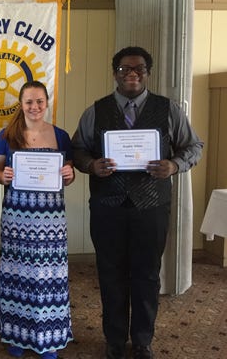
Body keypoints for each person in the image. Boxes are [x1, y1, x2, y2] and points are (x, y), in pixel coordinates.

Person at [71, 46, 203, 359]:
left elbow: (193, 146)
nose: (132, 74)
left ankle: (143, 340)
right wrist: (92, 165)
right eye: (125, 69)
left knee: (146, 274)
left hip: (152, 207)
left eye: (139, 69)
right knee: (110, 273)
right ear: (114, 73)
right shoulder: (96, 110)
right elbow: (78, 150)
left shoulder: (168, 109)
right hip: (107, 207)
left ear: (147, 73)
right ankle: (114, 340)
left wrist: (173, 166)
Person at [0, 80, 75, 359]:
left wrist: (69, 175)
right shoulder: (7, 134)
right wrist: (2, 176)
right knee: (18, 275)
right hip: (17, 217)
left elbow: (69, 173)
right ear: (21, 103)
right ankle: (18, 336)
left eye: (39, 101)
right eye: (29, 102)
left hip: (50, 220)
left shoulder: (61, 136)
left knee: (48, 276)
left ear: (47, 102)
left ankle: (48, 338)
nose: (35, 107)